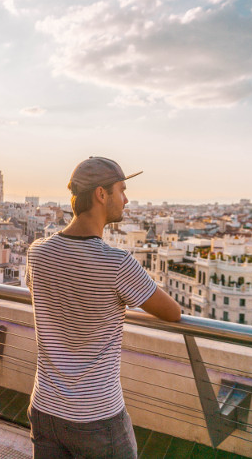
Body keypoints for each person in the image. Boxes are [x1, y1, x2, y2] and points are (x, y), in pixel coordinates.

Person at [26, 156, 181, 459]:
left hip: (45, 407)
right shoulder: (117, 263)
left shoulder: (38, 253)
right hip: (96, 417)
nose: (126, 199)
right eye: (121, 190)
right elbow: (172, 312)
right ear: (101, 194)